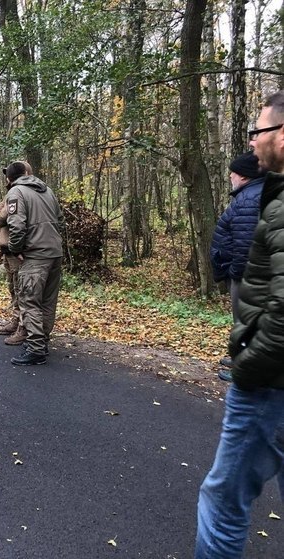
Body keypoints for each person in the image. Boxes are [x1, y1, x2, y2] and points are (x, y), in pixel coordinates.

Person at [195, 91, 284, 558]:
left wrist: (246, 366)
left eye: (258, 131)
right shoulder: (270, 194)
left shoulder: (268, 200)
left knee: (223, 499)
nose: (253, 143)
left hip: (269, 379)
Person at [210, 152, 266, 381]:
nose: (230, 175)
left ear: (243, 176)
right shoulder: (252, 195)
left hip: (245, 276)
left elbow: (246, 244)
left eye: (232, 172)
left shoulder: (249, 200)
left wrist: (235, 273)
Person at [3, 161, 64, 366]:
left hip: (35, 256)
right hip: (55, 253)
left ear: (9, 178)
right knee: (47, 301)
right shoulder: (48, 191)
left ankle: (36, 349)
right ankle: (42, 340)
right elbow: (60, 220)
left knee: (29, 300)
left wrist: (16, 248)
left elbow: (17, 225)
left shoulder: (16, 192)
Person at [0, 160, 33, 346]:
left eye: (9, 174)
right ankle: (15, 321)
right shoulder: (9, 194)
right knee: (12, 288)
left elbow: (1, 217)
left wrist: (1, 214)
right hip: (6, 250)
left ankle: (22, 327)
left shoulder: (18, 194)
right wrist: (1, 213)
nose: (7, 178)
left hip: (16, 251)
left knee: (20, 289)